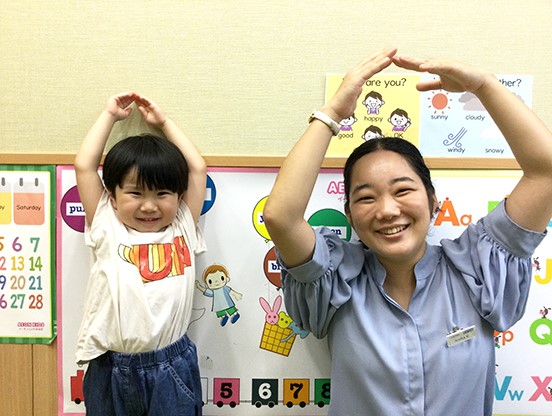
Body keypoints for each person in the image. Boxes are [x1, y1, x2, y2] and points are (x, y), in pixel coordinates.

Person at [263, 47, 552, 415]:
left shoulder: (478, 270)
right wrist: (332, 113)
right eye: (366, 197)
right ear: (349, 215)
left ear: (433, 201)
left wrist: (483, 86)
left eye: (402, 190)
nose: (387, 210)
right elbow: (280, 216)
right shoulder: (335, 281)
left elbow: (545, 172)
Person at [74, 92, 207, 416]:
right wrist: (109, 116)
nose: (149, 206)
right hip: (110, 368)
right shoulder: (107, 224)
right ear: (113, 197)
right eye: (135, 193)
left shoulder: (182, 225)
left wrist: (164, 123)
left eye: (162, 194)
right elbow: (85, 167)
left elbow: (197, 168)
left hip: (172, 366)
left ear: (178, 197)